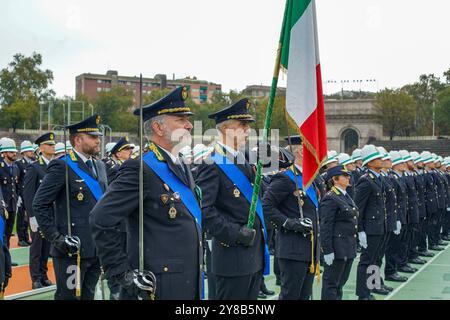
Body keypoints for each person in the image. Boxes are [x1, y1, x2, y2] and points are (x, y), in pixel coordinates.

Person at [90, 86, 202, 300]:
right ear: (159, 128)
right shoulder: (139, 168)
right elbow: (100, 219)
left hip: (187, 279)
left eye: (187, 119)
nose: (188, 125)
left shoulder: (181, 164)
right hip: (158, 285)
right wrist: (122, 273)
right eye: (180, 119)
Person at [195, 98, 270, 300]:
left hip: (253, 255)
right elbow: (203, 210)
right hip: (231, 256)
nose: (248, 130)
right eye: (242, 125)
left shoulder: (243, 159)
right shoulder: (212, 163)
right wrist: (235, 233)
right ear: (227, 129)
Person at [33, 115, 107, 300]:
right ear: (78, 139)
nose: (98, 140)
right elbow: (39, 204)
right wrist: (57, 239)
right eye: (93, 136)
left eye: (98, 136)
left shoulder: (100, 165)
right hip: (72, 251)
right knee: (69, 297)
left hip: (96, 248)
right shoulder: (62, 165)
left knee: (89, 295)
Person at [263, 135, 319, 300]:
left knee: (304, 296)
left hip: (309, 248)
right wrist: (289, 223)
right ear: (302, 151)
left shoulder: (310, 179)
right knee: (290, 296)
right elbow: (267, 206)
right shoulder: (285, 178)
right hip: (293, 249)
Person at [23, 132, 56, 289]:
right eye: (49, 144)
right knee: (36, 246)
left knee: (47, 247)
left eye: (53, 144)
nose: (53, 146)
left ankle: (43, 274)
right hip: (38, 215)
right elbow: (28, 194)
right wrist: (32, 216)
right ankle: (35, 277)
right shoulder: (34, 167)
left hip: (51, 214)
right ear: (41, 148)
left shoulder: (55, 166)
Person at [320, 165, 358, 300]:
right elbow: (325, 226)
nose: (348, 177)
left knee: (340, 284)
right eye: (344, 176)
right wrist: (327, 250)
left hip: (347, 246)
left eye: (348, 175)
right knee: (331, 284)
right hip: (337, 248)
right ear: (335, 179)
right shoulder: (331, 197)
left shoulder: (345, 196)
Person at [354, 145, 387, 300]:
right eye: (378, 158)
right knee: (366, 261)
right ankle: (362, 293)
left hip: (379, 226)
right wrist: (360, 230)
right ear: (370, 162)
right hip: (370, 228)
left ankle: (372, 285)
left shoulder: (378, 178)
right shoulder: (365, 181)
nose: (382, 160)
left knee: (375, 259)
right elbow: (358, 208)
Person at [15, 140, 36, 246]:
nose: (31, 152)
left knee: (28, 218)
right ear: (23, 152)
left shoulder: (33, 162)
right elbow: (17, 180)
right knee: (21, 217)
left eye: (32, 150)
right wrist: (18, 195)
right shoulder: (19, 164)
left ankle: (26, 237)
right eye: (29, 150)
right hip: (21, 194)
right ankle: (21, 238)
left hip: (30, 195)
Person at [0, 138, 20, 249]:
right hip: (2, 206)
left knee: (7, 234)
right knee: (1, 234)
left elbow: (15, 187)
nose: (14, 154)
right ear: (4, 153)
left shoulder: (15, 167)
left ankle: (7, 258)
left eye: (14, 152)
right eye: (11, 152)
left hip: (12, 205)